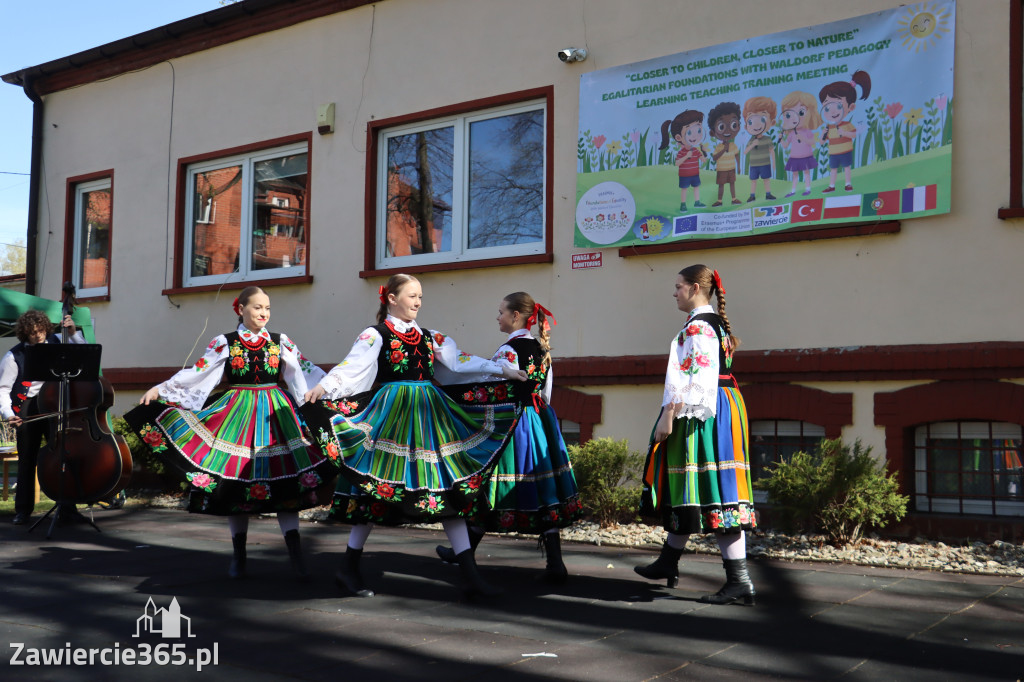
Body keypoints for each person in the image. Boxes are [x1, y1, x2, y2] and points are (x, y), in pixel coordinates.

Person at [302, 274, 528, 599]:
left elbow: (460, 361)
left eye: (420, 296)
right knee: (374, 493)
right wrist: (325, 387)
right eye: (412, 295)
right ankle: (348, 568)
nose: (418, 302)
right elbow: (352, 367)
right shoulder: (375, 334)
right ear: (392, 298)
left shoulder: (429, 336)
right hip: (390, 419)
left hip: (429, 418)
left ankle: (469, 574)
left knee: (448, 489)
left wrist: (502, 370)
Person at [124, 286, 333, 580]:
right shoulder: (226, 342)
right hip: (237, 416)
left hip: (277, 417)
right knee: (237, 483)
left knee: (288, 484)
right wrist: (161, 388)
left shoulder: (280, 341)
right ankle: (239, 556)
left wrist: (331, 392)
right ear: (241, 309)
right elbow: (199, 372)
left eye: (268, 308)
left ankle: (296, 556)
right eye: (257, 307)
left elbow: (304, 372)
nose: (263, 313)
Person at [434, 293, 582, 583]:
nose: (498, 317)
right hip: (540, 419)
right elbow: (546, 392)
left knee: (491, 485)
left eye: (501, 312)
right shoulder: (541, 347)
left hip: (514, 422)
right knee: (545, 488)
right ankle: (555, 562)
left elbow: (489, 385)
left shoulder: (509, 351)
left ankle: (463, 552)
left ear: (516, 316)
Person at [635, 265, 756, 606]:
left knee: (715, 490)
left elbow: (693, 378)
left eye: (678, 286)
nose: (674, 293)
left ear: (695, 288)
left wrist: (668, 416)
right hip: (723, 405)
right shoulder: (711, 324)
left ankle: (739, 582)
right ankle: (667, 562)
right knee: (693, 486)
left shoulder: (699, 326)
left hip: (703, 411)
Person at [1, 310, 85, 525]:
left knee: (62, 455)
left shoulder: (58, 341)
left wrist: (74, 333)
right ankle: (23, 510)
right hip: (28, 407)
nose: (38, 336)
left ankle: (67, 507)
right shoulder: (14, 356)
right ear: (24, 334)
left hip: (56, 402)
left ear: (46, 328)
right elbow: (3, 389)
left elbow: (84, 354)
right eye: (32, 333)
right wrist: (9, 414)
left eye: (40, 331)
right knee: (27, 458)